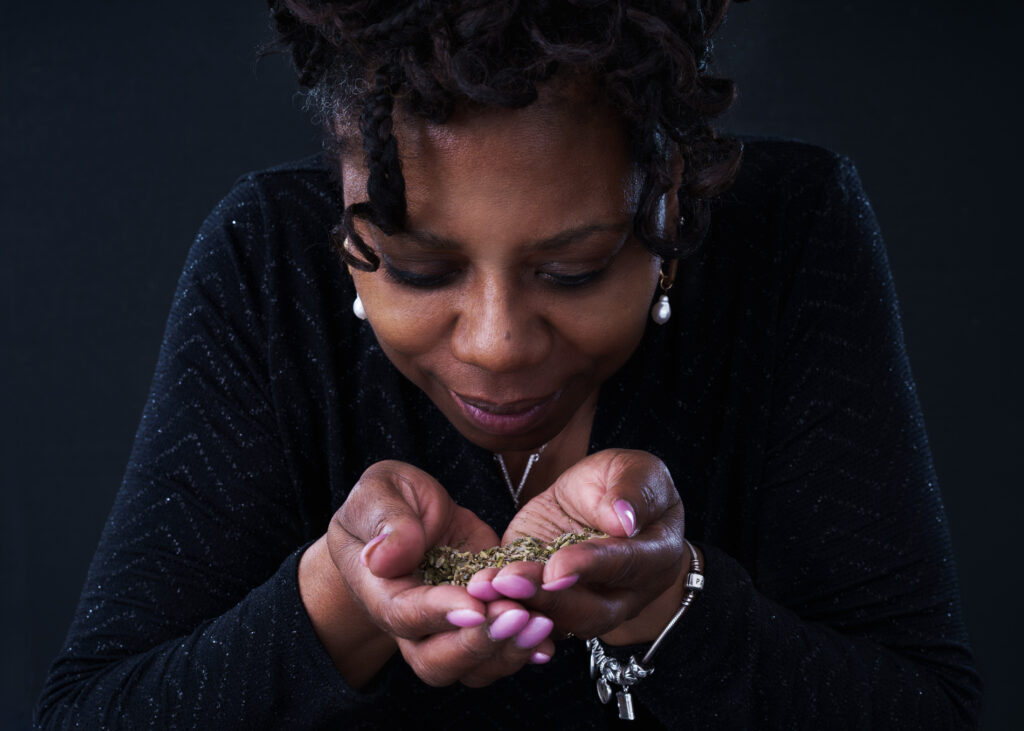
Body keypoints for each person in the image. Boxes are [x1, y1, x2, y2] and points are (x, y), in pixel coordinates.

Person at [35, 1, 981, 728]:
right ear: (343, 197)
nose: (496, 343)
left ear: (674, 202)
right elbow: (90, 713)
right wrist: (341, 595)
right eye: (416, 267)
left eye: (575, 269)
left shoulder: (791, 237)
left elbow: (929, 710)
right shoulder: (269, 260)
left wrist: (671, 603)